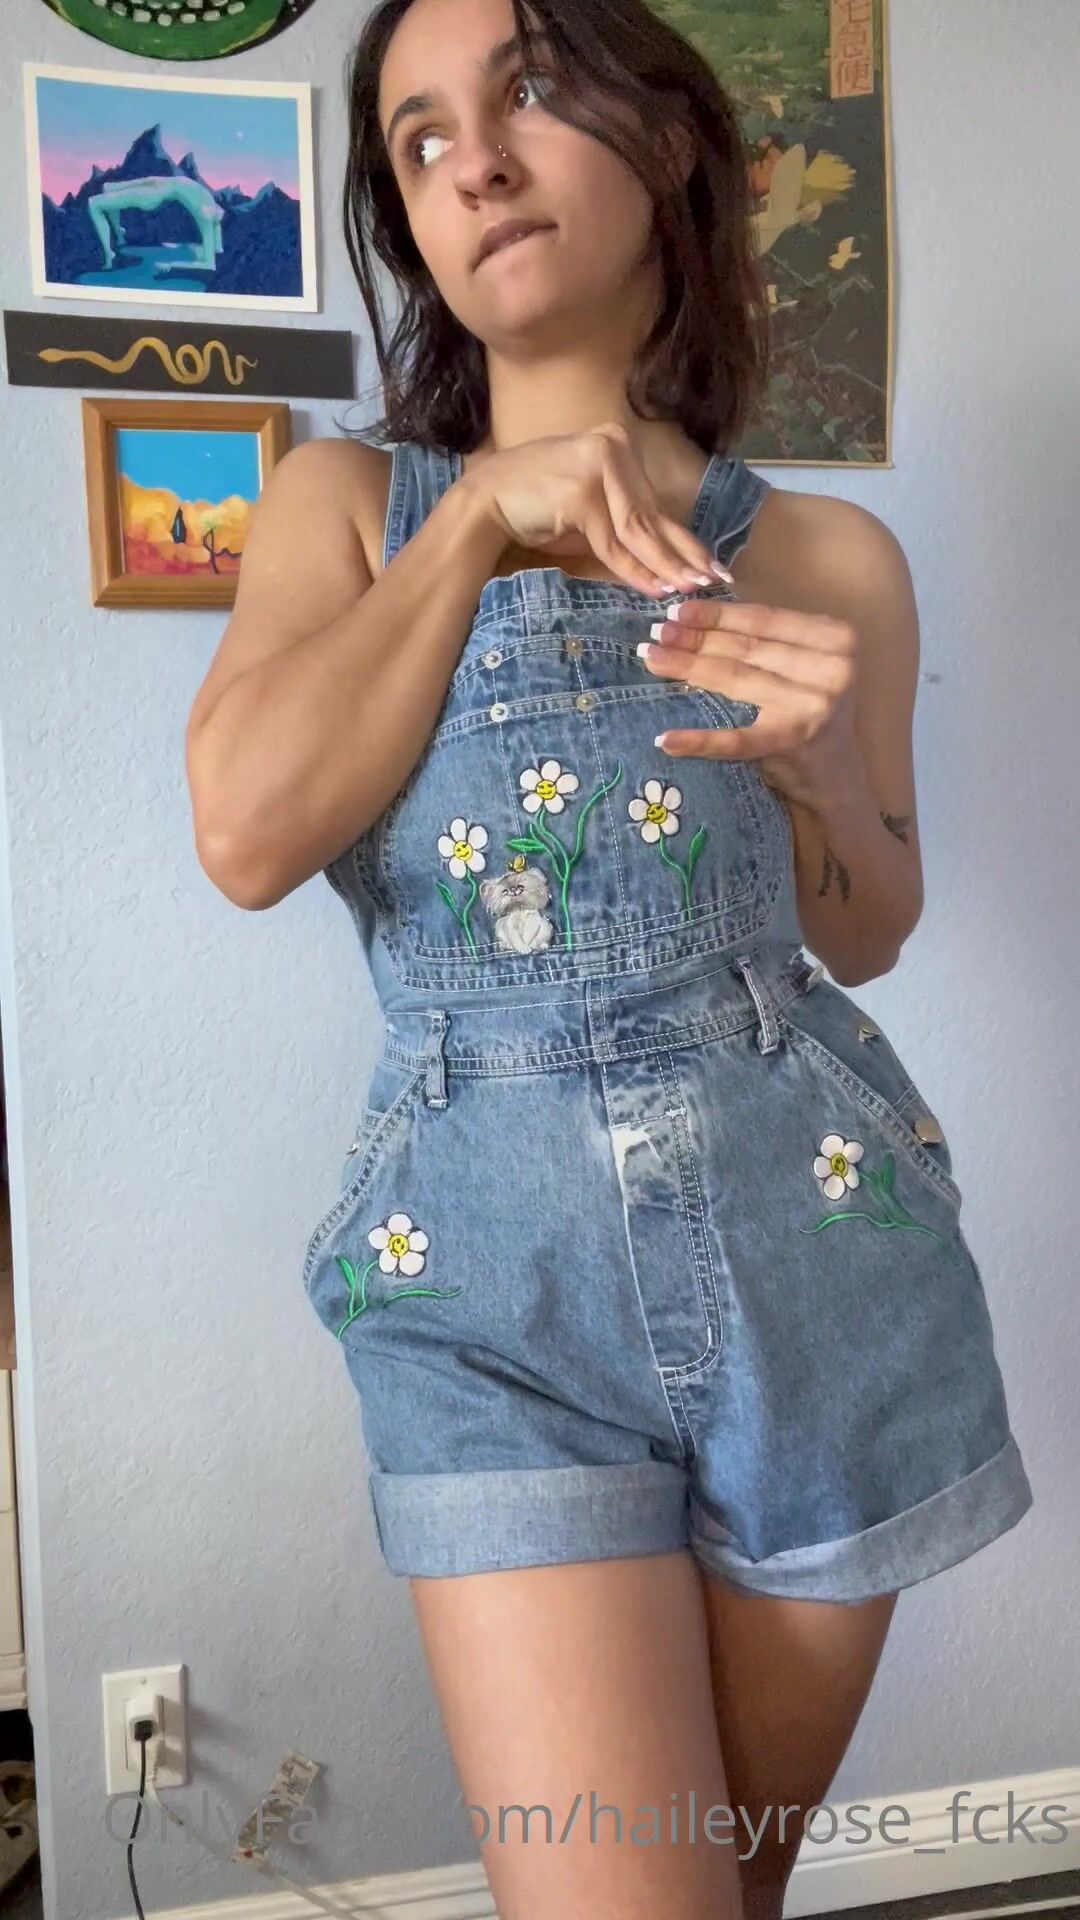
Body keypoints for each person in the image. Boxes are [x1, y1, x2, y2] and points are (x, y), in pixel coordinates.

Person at [184, 2, 1034, 1914]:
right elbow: (245, 834)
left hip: (820, 1252)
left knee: (736, 1884)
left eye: (530, 92)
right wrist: (482, 516)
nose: (476, 160)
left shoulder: (831, 558)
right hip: (487, 1286)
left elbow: (872, 926)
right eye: (421, 140)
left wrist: (825, 775)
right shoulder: (346, 508)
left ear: (666, 145)